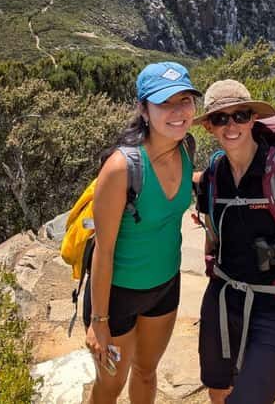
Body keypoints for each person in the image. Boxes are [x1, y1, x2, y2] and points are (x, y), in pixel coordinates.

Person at [194, 80, 275, 404]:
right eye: (221, 119)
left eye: (240, 115)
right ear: (209, 126)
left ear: (253, 118)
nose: (232, 126)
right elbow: (214, 238)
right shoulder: (213, 176)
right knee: (218, 389)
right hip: (223, 301)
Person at [83, 61, 201, 404]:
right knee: (109, 386)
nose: (178, 112)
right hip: (116, 296)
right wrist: (99, 322)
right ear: (143, 110)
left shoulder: (185, 148)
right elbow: (103, 251)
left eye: (185, 100)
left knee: (147, 372)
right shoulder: (122, 168)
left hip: (164, 286)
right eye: (165, 103)